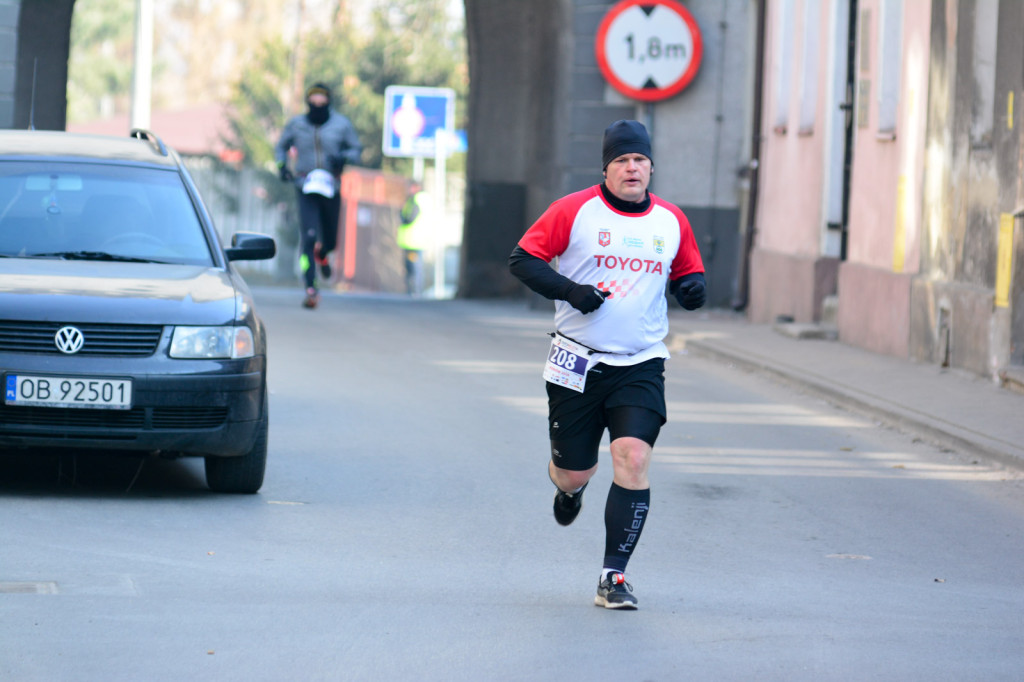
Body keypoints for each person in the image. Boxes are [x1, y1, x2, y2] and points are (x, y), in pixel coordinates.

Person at [508, 119, 706, 610]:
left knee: (633, 458)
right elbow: (523, 259)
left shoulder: (671, 220)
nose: (632, 168)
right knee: (574, 472)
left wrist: (691, 289)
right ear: (607, 168)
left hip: (640, 363)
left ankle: (612, 577)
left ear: (651, 167)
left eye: (639, 160)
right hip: (577, 361)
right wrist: (570, 290)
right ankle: (568, 491)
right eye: (621, 160)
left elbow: (687, 272)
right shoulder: (573, 211)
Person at [275, 82, 362, 309]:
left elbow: (356, 149)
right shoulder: (297, 125)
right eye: (313, 102)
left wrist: (343, 158)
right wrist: (282, 165)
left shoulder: (341, 125)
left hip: (331, 186)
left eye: (322, 102)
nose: (317, 106)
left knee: (330, 240)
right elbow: (281, 147)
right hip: (305, 185)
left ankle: (324, 254)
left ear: (329, 103)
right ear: (307, 103)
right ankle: (310, 287)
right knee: (309, 235)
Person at [397, 181, 432, 296]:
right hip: (416, 240)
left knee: (413, 269)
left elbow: (409, 217)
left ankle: (414, 292)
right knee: (414, 268)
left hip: (413, 241)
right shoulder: (424, 199)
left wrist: (402, 216)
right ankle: (414, 291)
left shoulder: (416, 200)